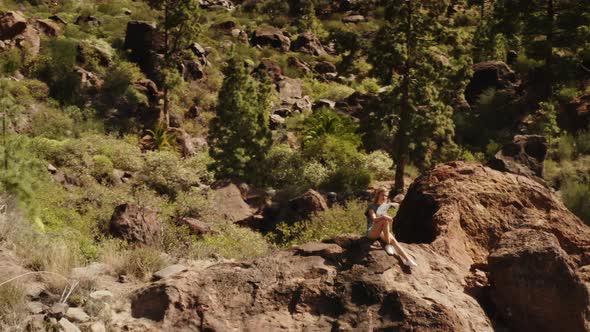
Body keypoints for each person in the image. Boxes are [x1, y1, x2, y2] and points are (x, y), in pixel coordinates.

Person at [366, 188, 418, 267]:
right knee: (384, 220)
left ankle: (408, 259)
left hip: (382, 232)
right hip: (372, 232)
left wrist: (388, 219)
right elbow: (374, 220)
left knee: (393, 240)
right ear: (378, 195)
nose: (384, 197)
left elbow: (387, 222)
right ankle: (388, 244)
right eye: (382, 195)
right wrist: (384, 216)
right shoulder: (372, 206)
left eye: (386, 196)